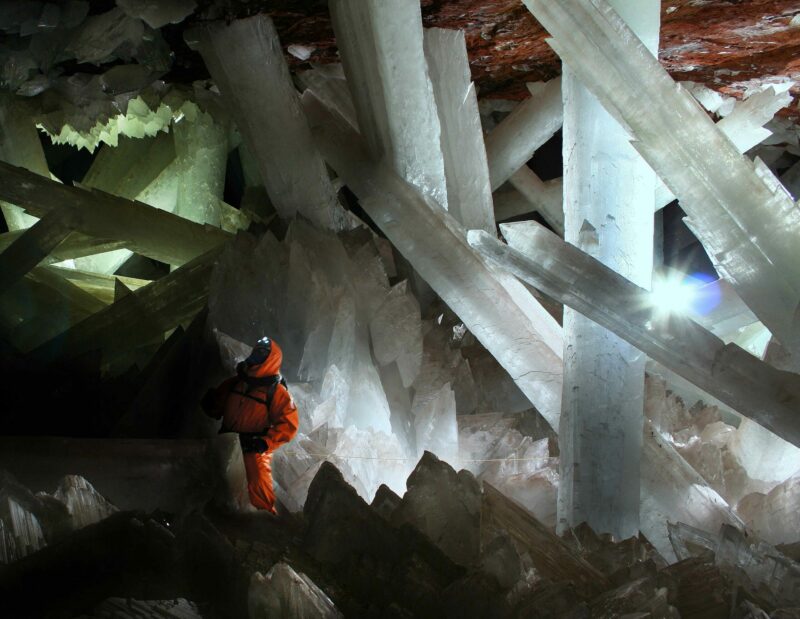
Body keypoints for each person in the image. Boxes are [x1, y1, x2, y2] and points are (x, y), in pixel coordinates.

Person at [202, 336, 298, 514]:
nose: (256, 356)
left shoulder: (276, 392)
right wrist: (211, 404)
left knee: (258, 483)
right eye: (257, 351)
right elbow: (220, 402)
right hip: (229, 438)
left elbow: (288, 424)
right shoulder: (238, 382)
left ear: (270, 358)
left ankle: (264, 520)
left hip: (255, 444)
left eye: (262, 353)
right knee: (221, 478)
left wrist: (266, 443)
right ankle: (226, 514)